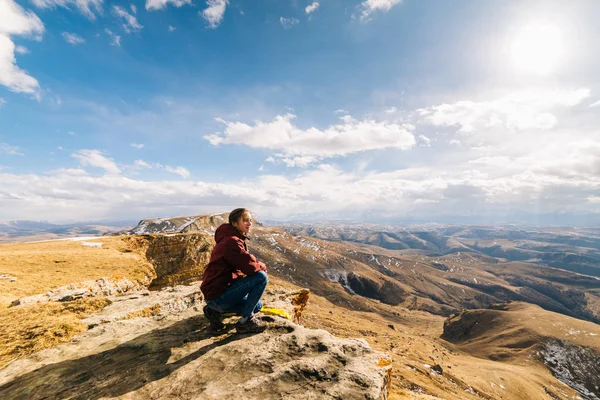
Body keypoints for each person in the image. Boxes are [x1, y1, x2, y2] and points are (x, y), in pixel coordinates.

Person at [200, 208, 268, 334]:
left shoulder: (231, 238)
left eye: (250, 221)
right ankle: (246, 322)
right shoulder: (232, 241)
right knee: (261, 277)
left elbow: (244, 262)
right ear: (234, 223)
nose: (249, 223)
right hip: (218, 296)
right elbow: (249, 267)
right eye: (245, 220)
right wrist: (262, 266)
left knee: (257, 306)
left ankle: (213, 311)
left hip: (215, 294)